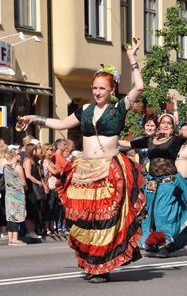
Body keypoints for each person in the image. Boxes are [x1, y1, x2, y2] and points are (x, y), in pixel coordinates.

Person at [19, 39, 146, 283]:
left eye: (102, 88)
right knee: (84, 222)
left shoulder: (119, 107)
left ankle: (102, 266)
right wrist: (35, 118)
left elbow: (138, 86)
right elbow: (61, 124)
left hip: (109, 170)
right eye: (95, 88)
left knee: (105, 221)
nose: (97, 92)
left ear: (111, 90)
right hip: (84, 170)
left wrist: (132, 58)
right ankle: (90, 263)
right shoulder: (85, 109)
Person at [130, 113, 187, 257]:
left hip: (168, 182)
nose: (166, 125)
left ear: (172, 126)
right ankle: (154, 241)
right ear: (159, 124)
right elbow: (130, 144)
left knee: (163, 213)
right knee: (150, 214)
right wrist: (109, 140)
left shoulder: (176, 139)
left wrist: (175, 132)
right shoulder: (150, 139)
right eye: (163, 122)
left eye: (169, 123)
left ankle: (166, 243)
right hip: (151, 183)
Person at [4, 148, 27, 246]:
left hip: (9, 194)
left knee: (10, 216)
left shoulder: (5, 166)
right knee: (16, 216)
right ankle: (15, 238)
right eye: (18, 154)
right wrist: (26, 187)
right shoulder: (18, 167)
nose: (20, 156)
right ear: (14, 155)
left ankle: (10, 238)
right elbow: (23, 182)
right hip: (17, 194)